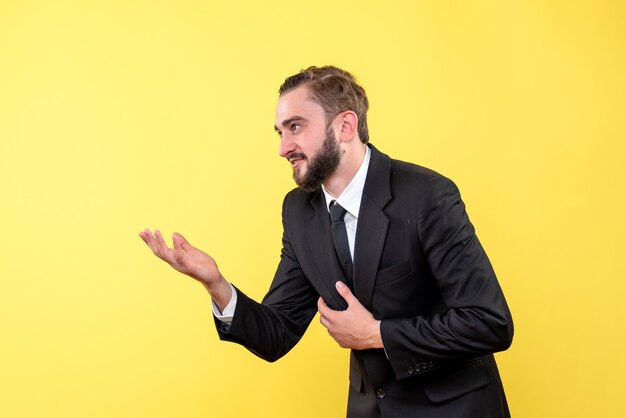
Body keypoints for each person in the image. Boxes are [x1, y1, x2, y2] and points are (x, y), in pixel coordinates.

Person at [139, 66, 514, 418]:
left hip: (454, 409)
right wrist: (216, 284)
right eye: (280, 132)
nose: (284, 148)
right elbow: (277, 332)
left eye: (296, 127)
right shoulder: (300, 211)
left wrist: (377, 334)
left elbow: (489, 323)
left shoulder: (426, 195)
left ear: (345, 125)